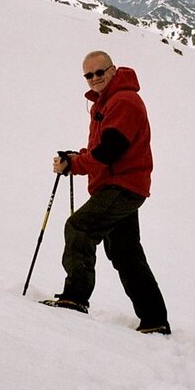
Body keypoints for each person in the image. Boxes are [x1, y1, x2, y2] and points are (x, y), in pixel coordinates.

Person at [42, 51, 170, 335]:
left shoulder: (123, 100)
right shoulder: (109, 102)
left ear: (113, 70)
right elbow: (104, 147)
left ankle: (75, 298)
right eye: (89, 75)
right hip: (123, 185)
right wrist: (77, 158)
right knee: (125, 253)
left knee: (79, 227)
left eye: (100, 72)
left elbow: (111, 150)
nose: (95, 78)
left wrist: (75, 164)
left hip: (121, 185)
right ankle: (155, 320)